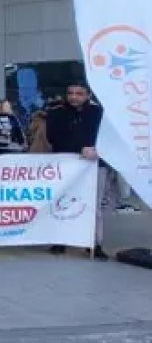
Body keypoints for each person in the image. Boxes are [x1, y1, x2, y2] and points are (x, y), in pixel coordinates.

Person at [45, 83, 106, 259]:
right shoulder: (56, 113)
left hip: (95, 165)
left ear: (88, 95)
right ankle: (60, 240)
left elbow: (108, 138)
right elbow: (53, 138)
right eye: (70, 93)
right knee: (61, 202)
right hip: (65, 165)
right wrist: (80, 149)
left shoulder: (99, 114)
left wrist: (98, 150)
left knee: (94, 205)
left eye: (79, 93)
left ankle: (94, 243)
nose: (74, 97)